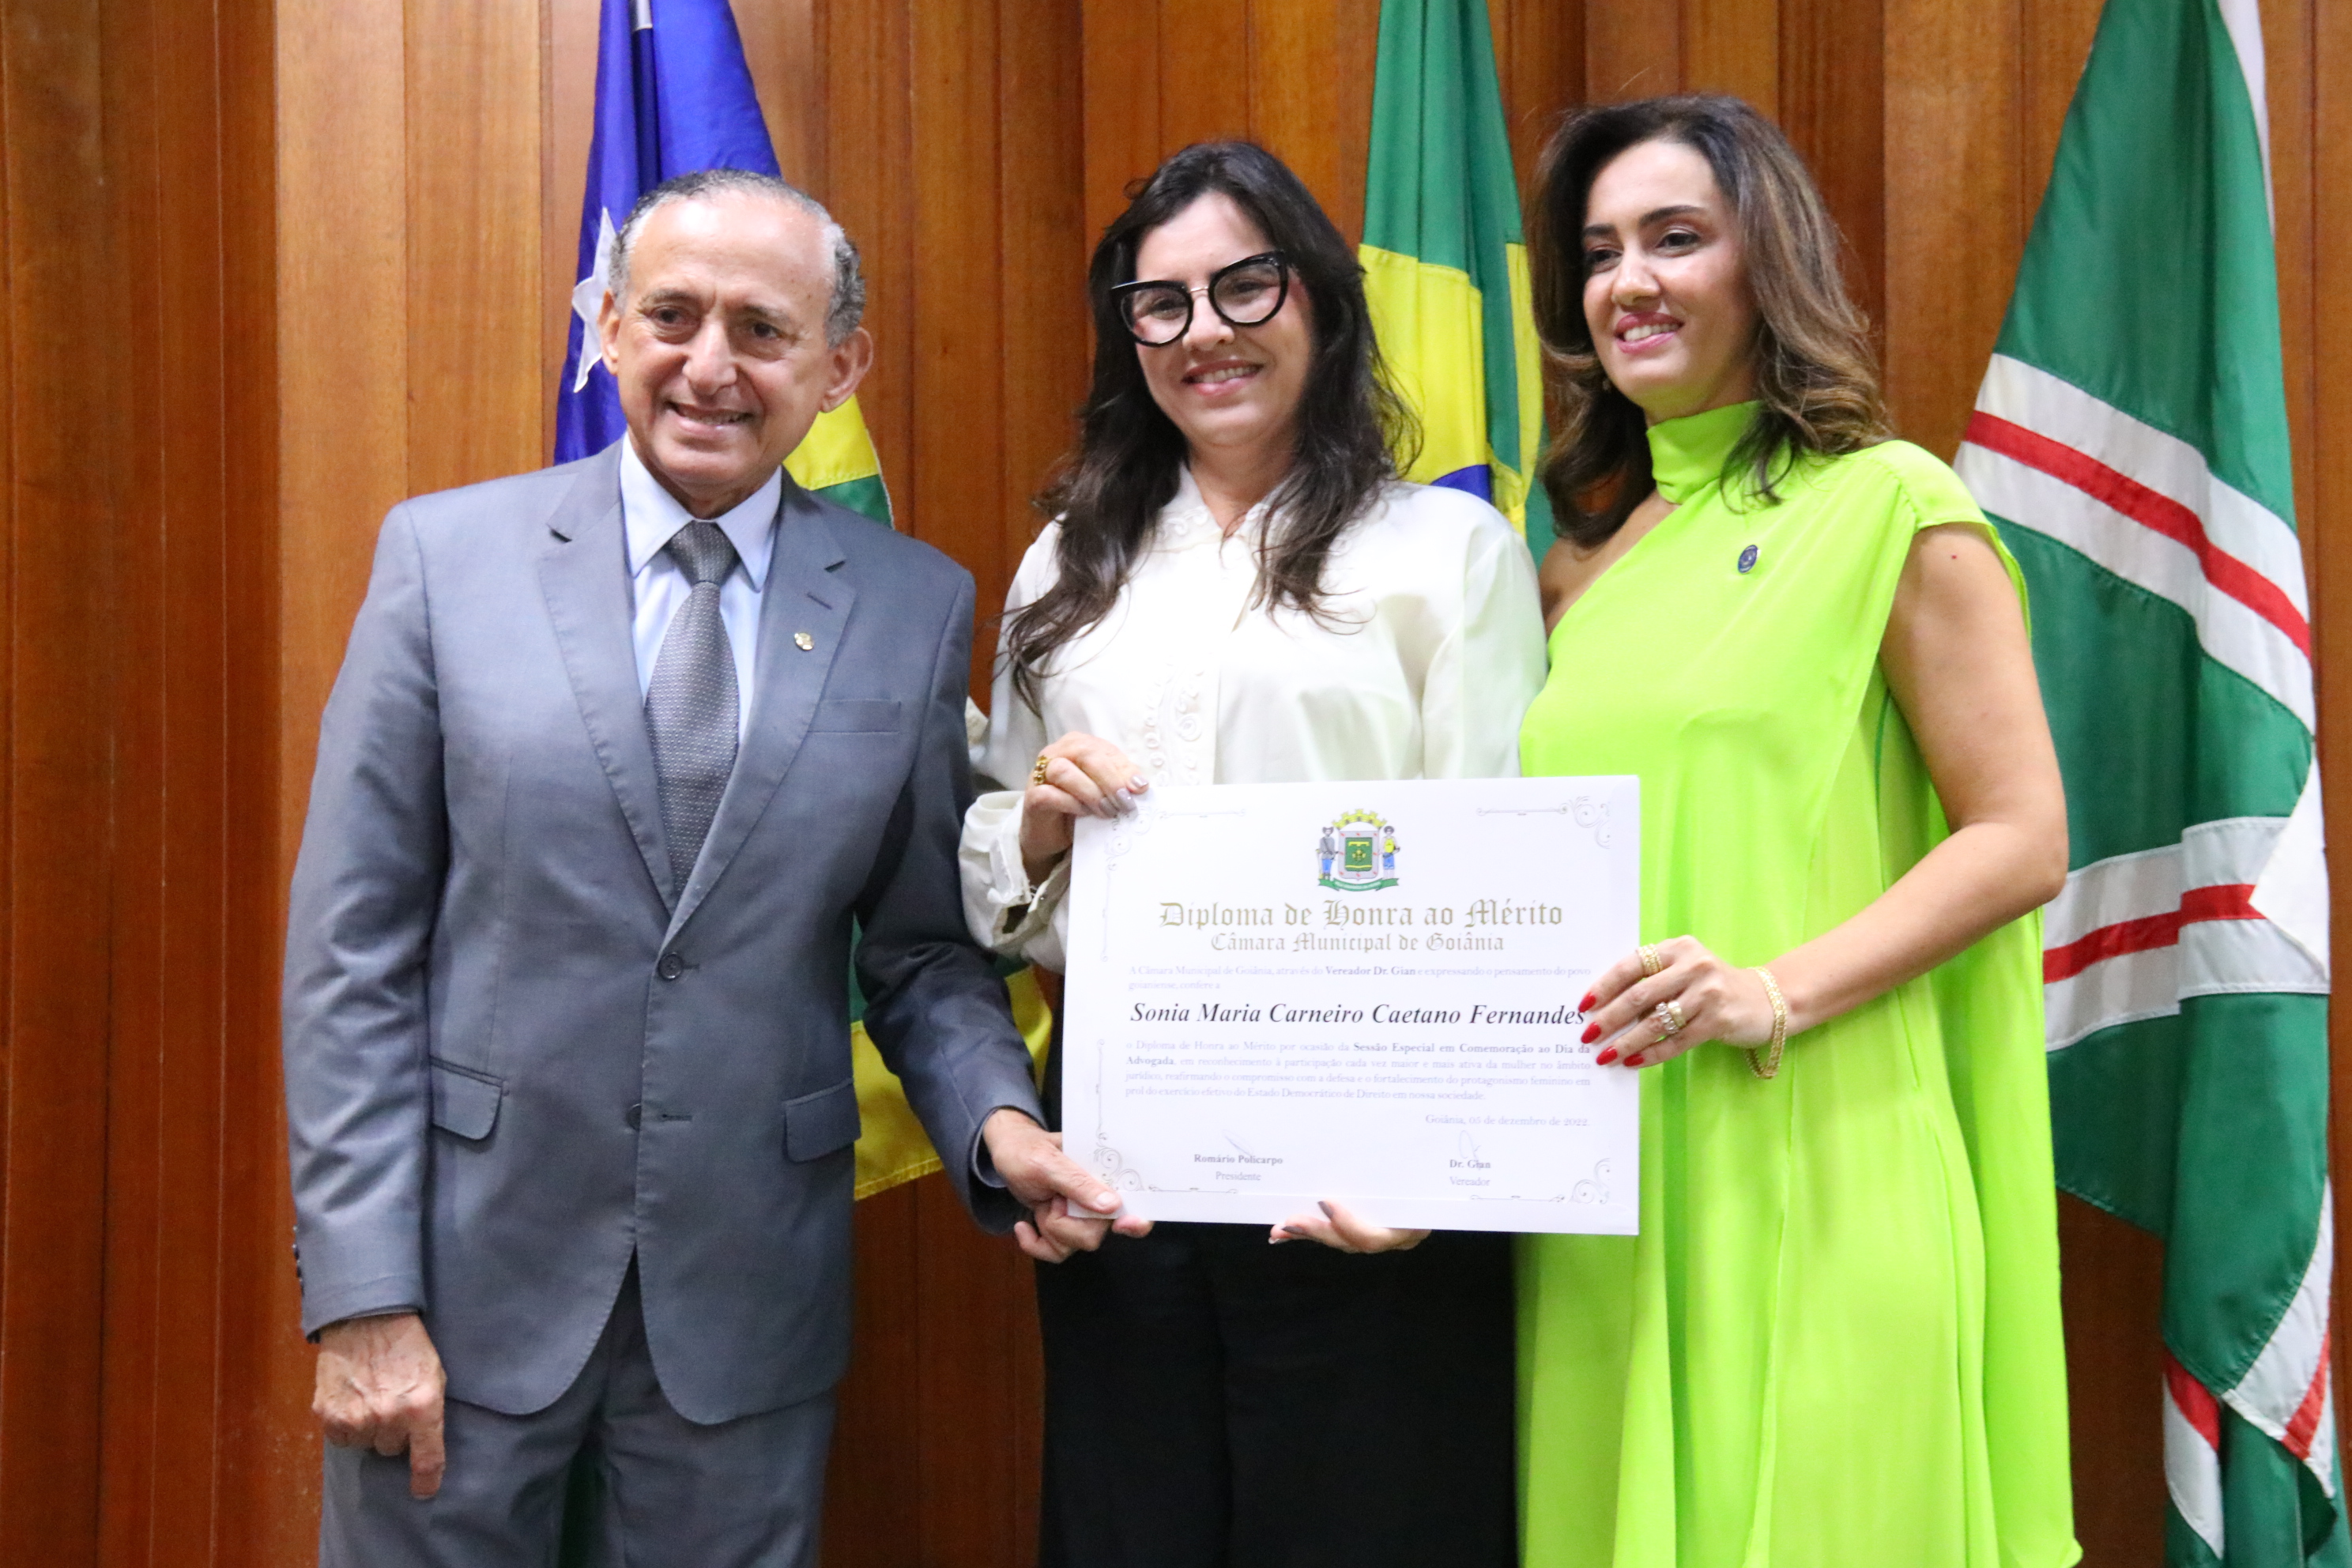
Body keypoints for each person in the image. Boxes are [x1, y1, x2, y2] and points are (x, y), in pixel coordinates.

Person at [281, 167, 1121, 1568]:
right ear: (609, 327)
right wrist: (362, 1295)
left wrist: (1000, 1127)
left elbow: (921, 951)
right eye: (671, 315)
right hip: (459, 1288)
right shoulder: (443, 559)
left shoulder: (911, 605)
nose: (710, 366)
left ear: (840, 367)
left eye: (763, 330)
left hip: (746, 1305)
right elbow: (351, 957)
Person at [959, 141, 1547, 1568]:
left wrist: (1435, 1181)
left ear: (1322, 302)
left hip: (1368, 1169)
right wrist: (1037, 822)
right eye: (1159, 303)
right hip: (1122, 1161)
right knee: (1130, 1527)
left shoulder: (1446, 550)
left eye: (1244, 286)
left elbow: (1499, 868)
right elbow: (993, 856)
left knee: (1373, 1526)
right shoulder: (1065, 566)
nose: (1202, 332)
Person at [1513, 96, 2079, 1566]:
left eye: (1675, 238)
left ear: (1770, 264)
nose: (1629, 282)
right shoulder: (1579, 566)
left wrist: (1772, 990)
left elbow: (2023, 835)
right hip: (1608, 1192)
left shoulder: (1893, 505)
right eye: (1600, 253)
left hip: (1822, 1149)